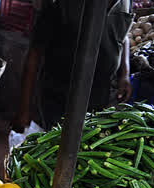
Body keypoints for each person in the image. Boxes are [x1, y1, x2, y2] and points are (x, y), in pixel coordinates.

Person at [13, 0, 134, 130]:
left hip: (104, 94)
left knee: (93, 141)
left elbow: (124, 35)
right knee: (59, 143)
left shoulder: (126, 2)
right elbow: (35, 54)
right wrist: (24, 110)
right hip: (61, 98)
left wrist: (125, 74)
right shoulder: (62, 4)